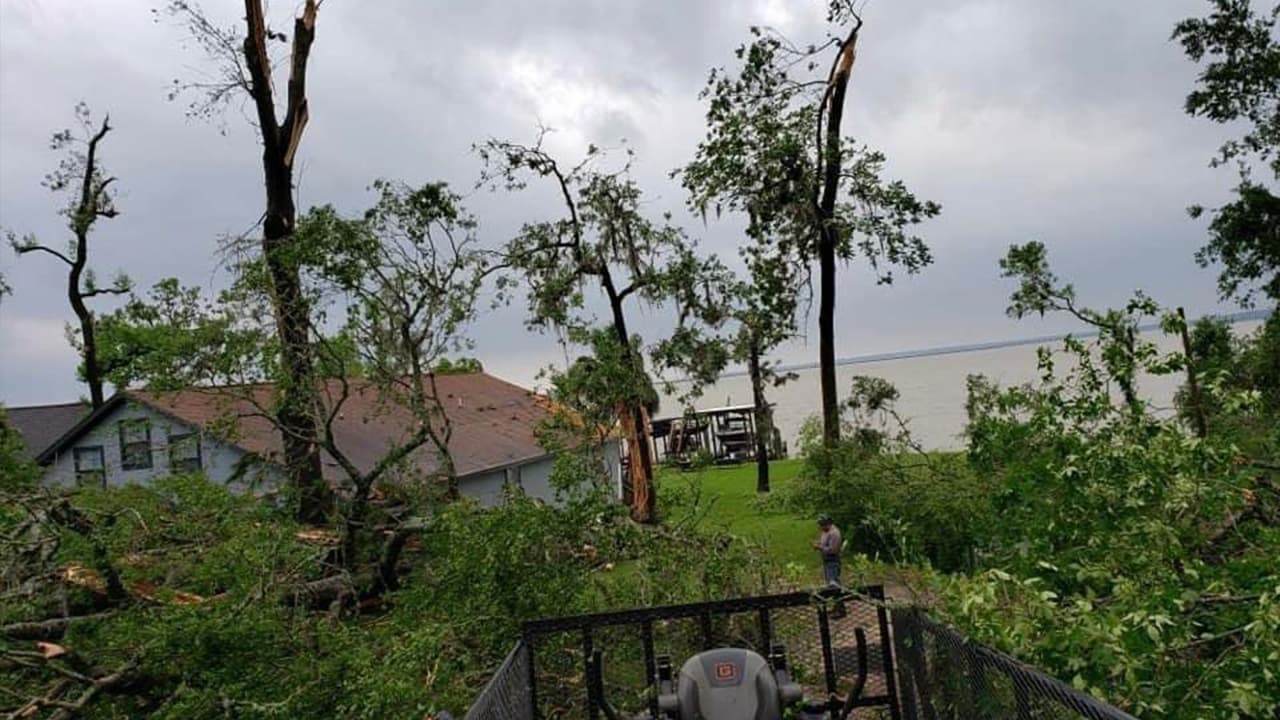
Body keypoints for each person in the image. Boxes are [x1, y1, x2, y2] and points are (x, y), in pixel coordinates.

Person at [812, 514, 843, 587]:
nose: (820, 527)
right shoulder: (825, 531)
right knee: (829, 581)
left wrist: (819, 547)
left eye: (822, 525)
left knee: (833, 583)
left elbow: (833, 550)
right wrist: (819, 543)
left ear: (828, 523)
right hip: (826, 560)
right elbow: (825, 543)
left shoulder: (834, 533)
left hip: (832, 561)